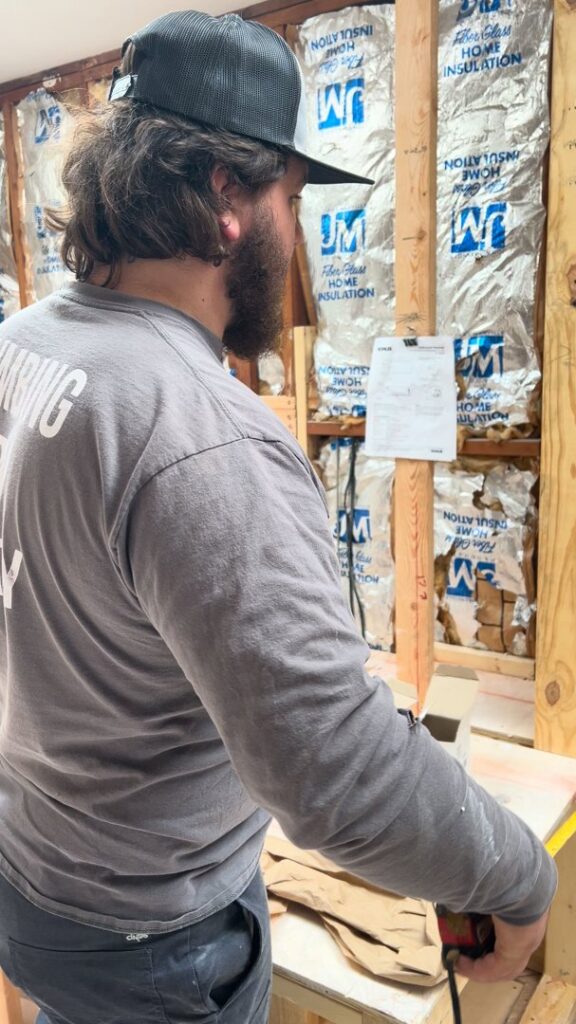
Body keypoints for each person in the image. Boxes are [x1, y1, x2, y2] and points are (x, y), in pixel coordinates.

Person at [0, 10, 555, 1024]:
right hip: (156, 940)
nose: (296, 235)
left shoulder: (26, 341)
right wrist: (517, 875)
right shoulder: (202, 436)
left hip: (41, 888)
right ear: (227, 200)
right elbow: (335, 776)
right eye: (289, 199)